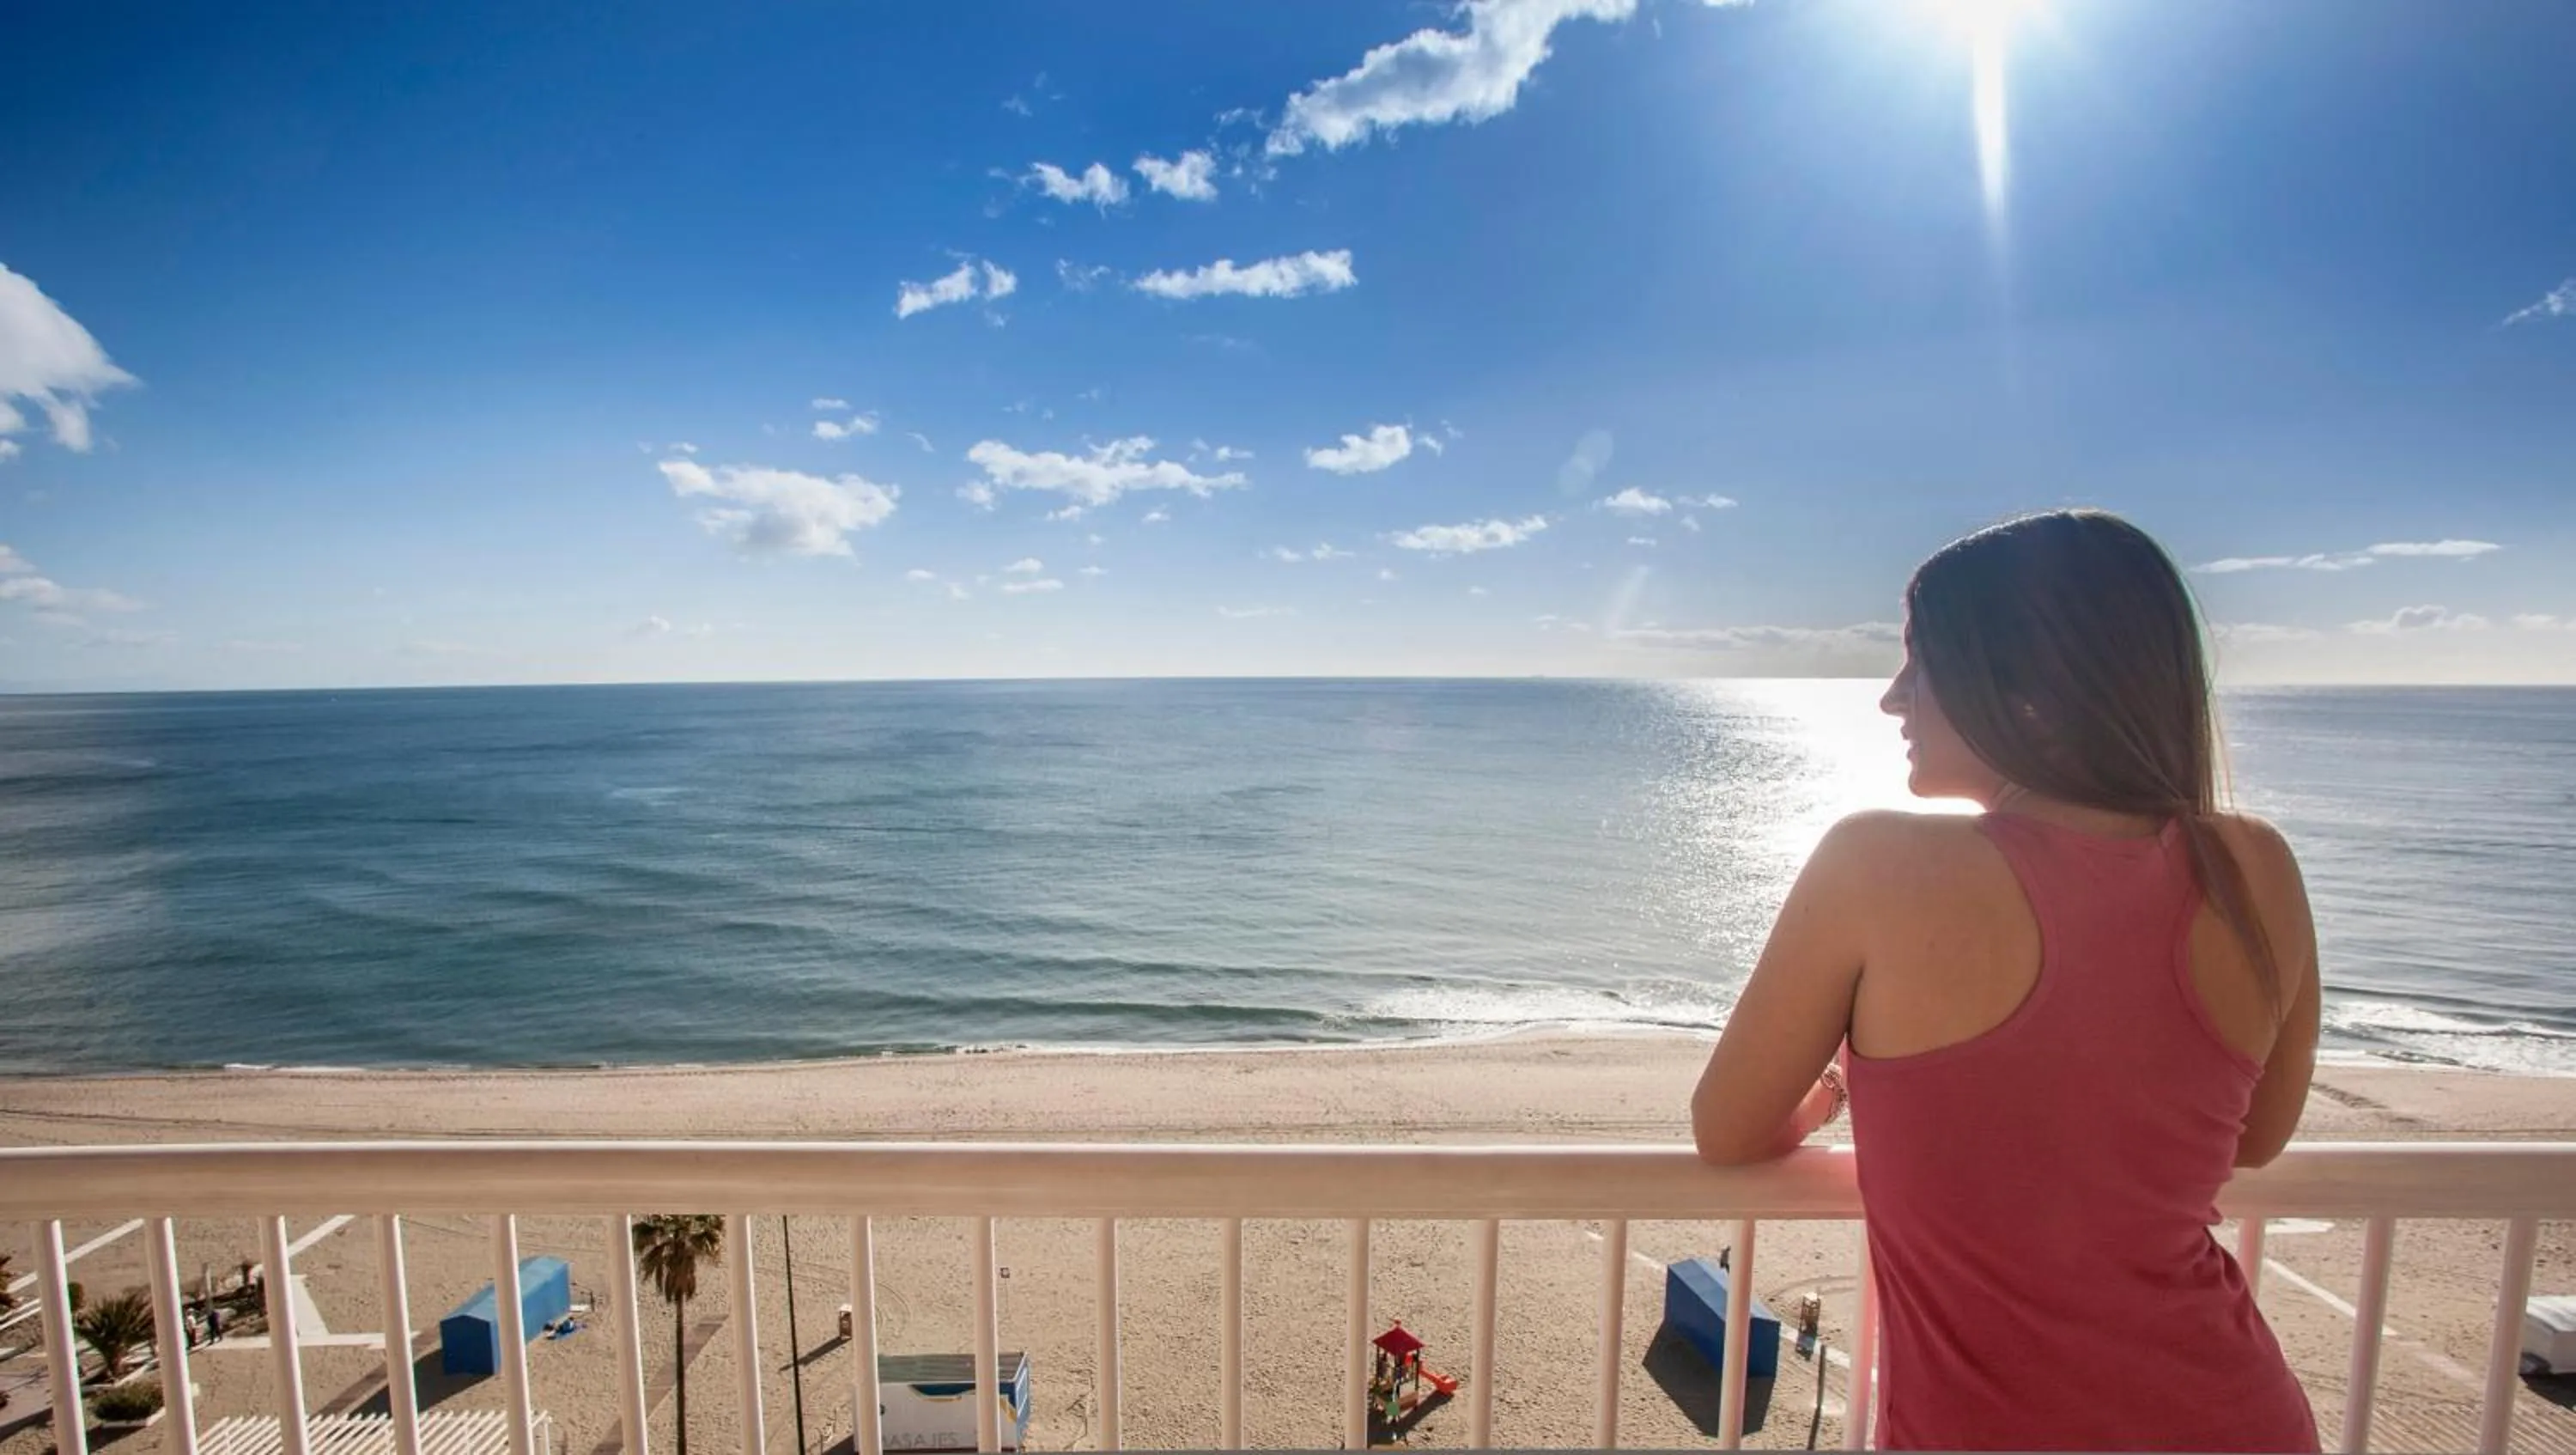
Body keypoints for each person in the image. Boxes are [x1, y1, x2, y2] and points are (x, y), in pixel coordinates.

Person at [1690, 509, 2321, 1452]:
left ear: (2024, 682)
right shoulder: (2256, 865)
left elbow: (1727, 1127)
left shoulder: (1876, 862)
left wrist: (1839, 1088)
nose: (1892, 699)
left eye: (1919, 659)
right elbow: (2254, 1136)